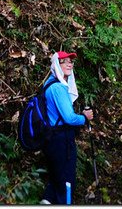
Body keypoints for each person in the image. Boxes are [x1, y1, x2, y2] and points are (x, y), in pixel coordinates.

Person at [40, 51, 93, 205]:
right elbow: (69, 118)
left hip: (51, 139)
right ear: (57, 64)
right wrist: (84, 118)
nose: (70, 64)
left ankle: (47, 200)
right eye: (64, 61)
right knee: (67, 181)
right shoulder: (58, 88)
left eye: (71, 61)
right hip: (61, 140)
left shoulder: (49, 84)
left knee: (56, 177)